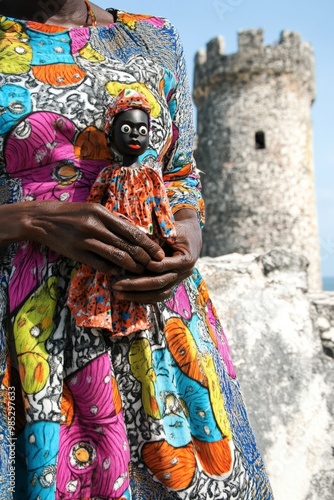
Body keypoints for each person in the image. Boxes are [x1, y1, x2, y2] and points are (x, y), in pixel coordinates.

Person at [0, 1, 274, 499]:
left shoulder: (153, 38)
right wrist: (31, 220)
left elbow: (179, 174)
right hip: (28, 344)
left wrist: (188, 240)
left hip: (163, 334)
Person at [67, 88, 176, 335]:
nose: (135, 135)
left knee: (137, 284)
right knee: (107, 279)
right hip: (111, 237)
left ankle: (134, 323)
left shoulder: (150, 176)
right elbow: (93, 203)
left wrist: (170, 235)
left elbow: (160, 206)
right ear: (112, 135)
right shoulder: (108, 174)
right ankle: (101, 319)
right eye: (126, 130)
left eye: (142, 130)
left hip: (145, 240)